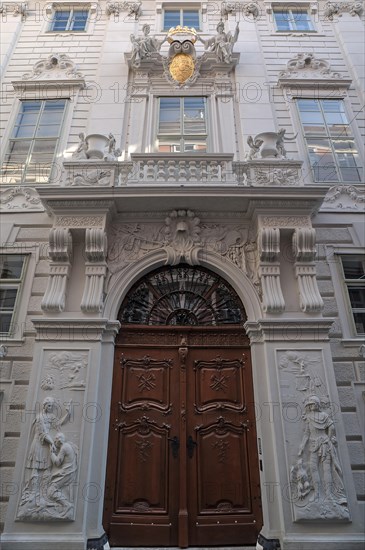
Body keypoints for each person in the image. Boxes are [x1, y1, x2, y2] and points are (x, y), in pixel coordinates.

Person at [298, 395, 347, 504]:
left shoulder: (324, 415)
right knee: (313, 467)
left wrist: (330, 438)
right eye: (310, 405)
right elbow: (306, 433)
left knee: (327, 469)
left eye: (313, 404)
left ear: (318, 404)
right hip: (313, 445)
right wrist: (302, 446)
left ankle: (329, 495)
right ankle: (317, 493)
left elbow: (331, 427)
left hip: (325, 444)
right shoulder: (308, 417)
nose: (311, 406)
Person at [47, 432, 78, 518]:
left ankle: (67, 505)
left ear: (58, 440)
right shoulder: (68, 445)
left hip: (67, 473)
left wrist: (51, 453)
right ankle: (65, 506)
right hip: (69, 472)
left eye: (55, 440)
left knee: (51, 491)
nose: (55, 442)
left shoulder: (64, 447)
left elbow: (57, 463)